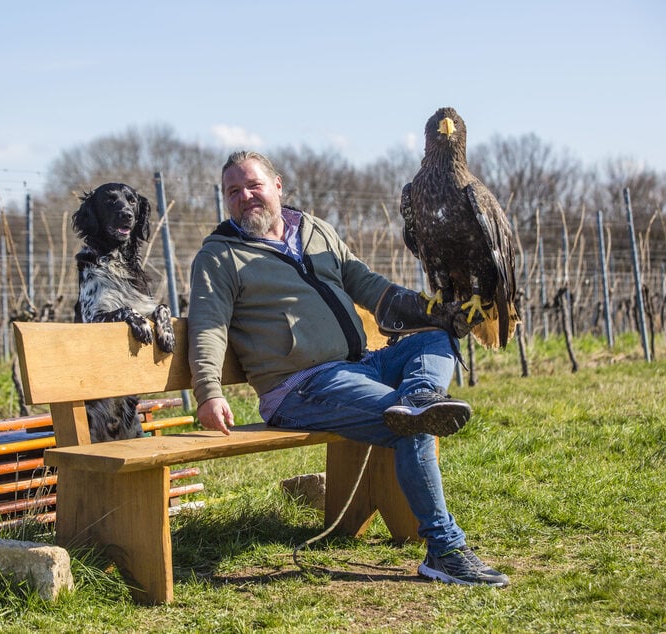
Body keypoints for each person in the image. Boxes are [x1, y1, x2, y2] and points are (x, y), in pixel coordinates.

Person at [187, 150, 509, 587]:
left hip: (362, 366)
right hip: (301, 386)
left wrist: (429, 310)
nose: (245, 197)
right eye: (233, 192)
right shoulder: (220, 256)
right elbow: (207, 326)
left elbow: (367, 285)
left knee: (436, 339)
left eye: (253, 186)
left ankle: (420, 395)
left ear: (277, 186)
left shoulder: (316, 231)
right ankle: (446, 551)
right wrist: (209, 391)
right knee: (411, 424)